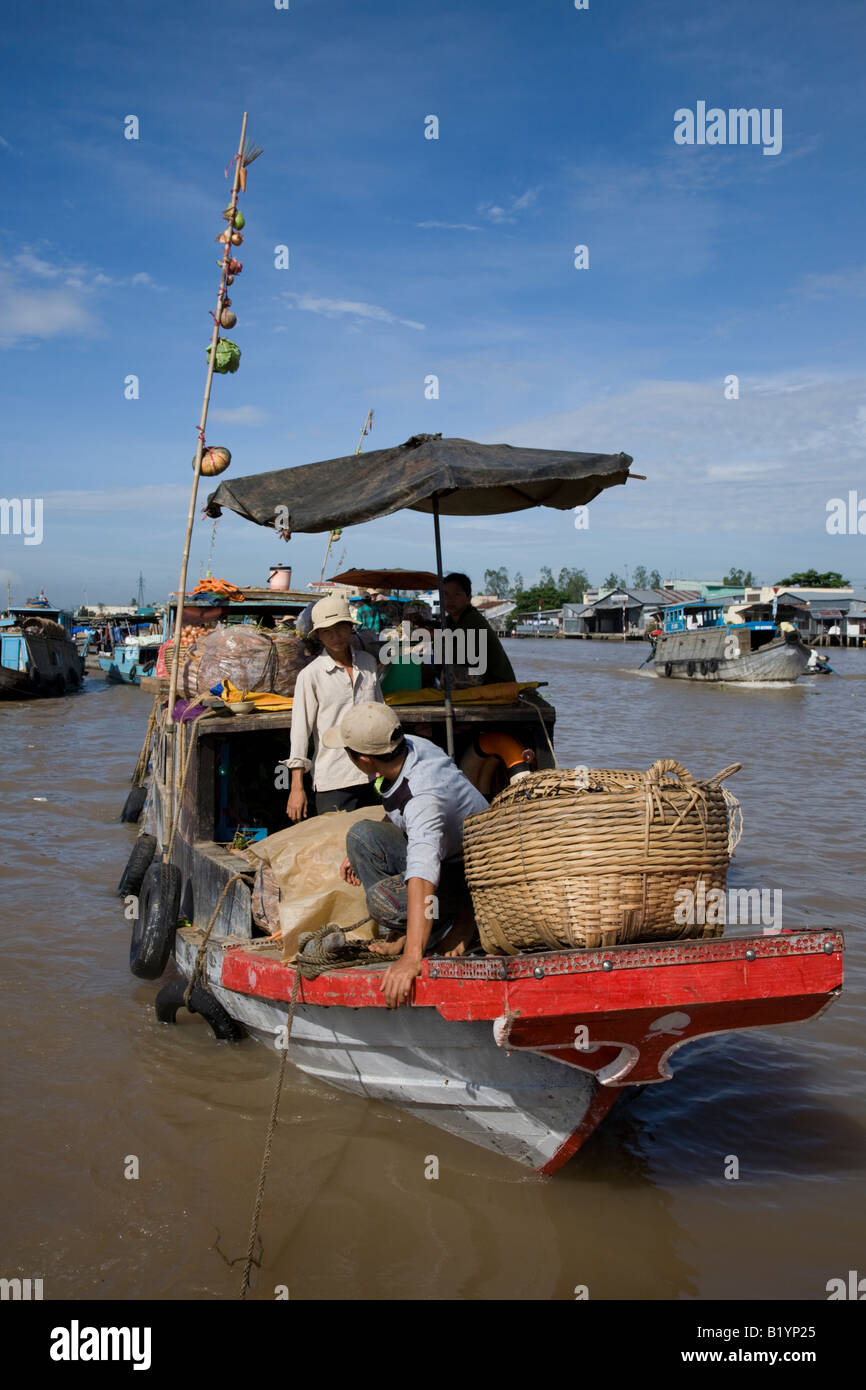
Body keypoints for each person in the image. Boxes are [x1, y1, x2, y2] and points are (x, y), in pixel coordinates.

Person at [327, 702, 489, 1007]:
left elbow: (423, 876)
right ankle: (406, 933)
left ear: (363, 759)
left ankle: (462, 919)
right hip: (450, 855)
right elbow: (400, 805)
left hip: (473, 875)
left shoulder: (424, 801)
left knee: (382, 901)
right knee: (362, 837)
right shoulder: (411, 746)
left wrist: (412, 958)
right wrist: (371, 848)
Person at [280, 595, 385, 819]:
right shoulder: (311, 675)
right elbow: (300, 733)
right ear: (318, 635)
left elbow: (379, 716)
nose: (335, 636)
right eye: (327, 631)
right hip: (334, 779)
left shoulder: (367, 663)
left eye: (340, 628)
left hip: (372, 775)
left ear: (350, 628)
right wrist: (296, 787)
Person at [441, 572, 516, 685]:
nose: (450, 600)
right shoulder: (449, 621)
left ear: (468, 599)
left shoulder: (473, 619)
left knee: (449, 672)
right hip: (478, 675)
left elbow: (460, 656)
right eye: (445, 594)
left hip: (494, 681)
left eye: (457, 595)